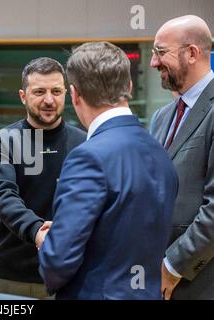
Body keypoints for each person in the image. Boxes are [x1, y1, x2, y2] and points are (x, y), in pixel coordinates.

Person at [38, 42, 179, 300]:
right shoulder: (160, 152)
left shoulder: (87, 157)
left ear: (75, 94)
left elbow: (57, 263)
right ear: (129, 86)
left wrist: (51, 242)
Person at [0, 57, 86, 299]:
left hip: (65, 276)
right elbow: (4, 197)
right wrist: (38, 231)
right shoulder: (3, 141)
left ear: (67, 94)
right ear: (23, 96)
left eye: (56, 91)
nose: (49, 100)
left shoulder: (85, 143)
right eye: (39, 91)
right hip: (7, 278)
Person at [149, 15, 214, 300]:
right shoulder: (161, 118)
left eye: (161, 52)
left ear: (192, 53)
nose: (153, 62)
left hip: (198, 280)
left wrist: (173, 266)